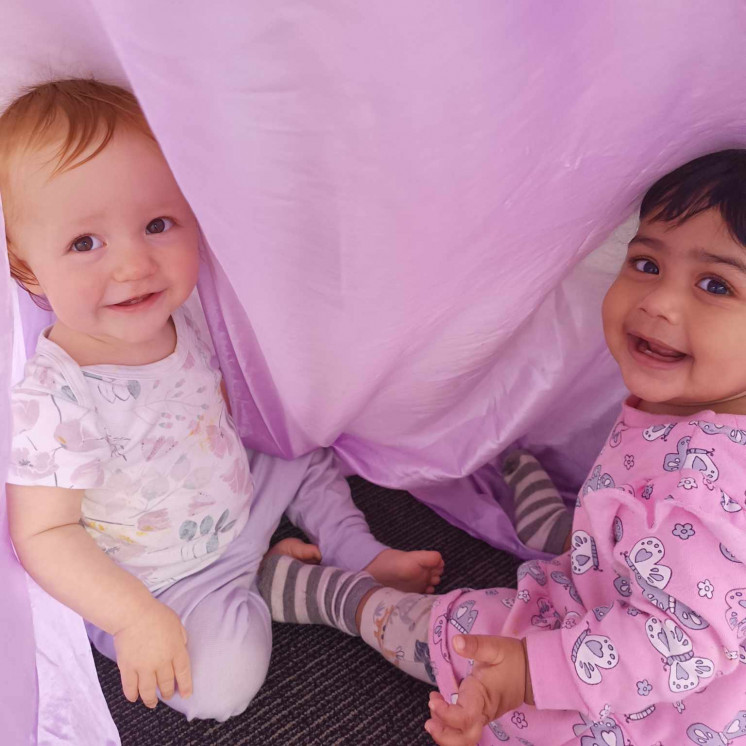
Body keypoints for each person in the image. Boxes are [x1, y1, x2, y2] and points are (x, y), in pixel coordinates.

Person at [257, 150, 746, 745]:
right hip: (618, 579)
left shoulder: (707, 485)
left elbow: (680, 645)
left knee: (468, 641)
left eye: (715, 284)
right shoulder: (701, 410)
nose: (659, 302)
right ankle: (534, 490)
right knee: (592, 532)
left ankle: (339, 598)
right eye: (645, 263)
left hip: (644, 692)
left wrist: (529, 673)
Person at [1, 78, 444, 722]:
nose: (132, 265)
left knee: (302, 452)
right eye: (85, 243)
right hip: (160, 581)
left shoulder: (185, 317)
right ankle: (283, 585)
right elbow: (44, 534)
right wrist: (134, 617)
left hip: (235, 498)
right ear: (27, 268)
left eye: (158, 224)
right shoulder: (55, 393)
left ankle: (359, 554)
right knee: (216, 686)